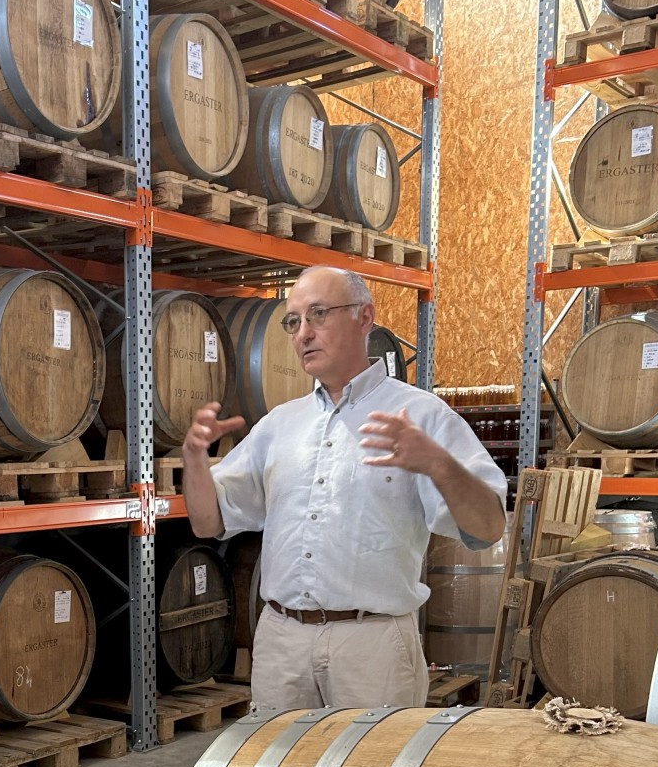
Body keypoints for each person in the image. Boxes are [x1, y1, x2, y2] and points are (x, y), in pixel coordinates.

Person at [182, 266, 506, 711]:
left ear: (364, 317)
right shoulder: (280, 424)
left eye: (318, 314)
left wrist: (437, 463)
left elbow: (487, 527)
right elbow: (207, 522)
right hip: (282, 642)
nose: (303, 333)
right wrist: (195, 460)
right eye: (294, 321)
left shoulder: (422, 416)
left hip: (371, 646)